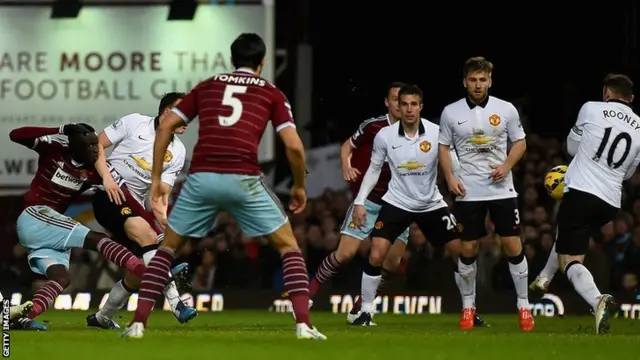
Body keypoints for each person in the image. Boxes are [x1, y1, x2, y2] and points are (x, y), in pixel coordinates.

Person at [122, 33, 325, 340]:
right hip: (243, 177)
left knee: (166, 249)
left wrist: (156, 180)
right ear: (262, 62)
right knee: (288, 246)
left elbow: (164, 126)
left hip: (201, 179)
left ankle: (137, 325)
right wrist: (298, 186)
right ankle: (304, 326)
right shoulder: (271, 92)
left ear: (231, 61)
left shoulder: (207, 85)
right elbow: (294, 148)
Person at [7, 124, 175, 330]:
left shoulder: (94, 173)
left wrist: (156, 228)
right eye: (90, 146)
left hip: (49, 230)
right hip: (34, 215)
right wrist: (60, 129)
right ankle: (143, 272)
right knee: (96, 239)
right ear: (75, 146)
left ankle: (20, 319)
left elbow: (128, 200)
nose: (97, 150)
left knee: (61, 278)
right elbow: (15, 134)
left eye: (97, 144)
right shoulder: (53, 149)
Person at [349, 84, 480, 326]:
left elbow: (452, 163)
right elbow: (374, 169)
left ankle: (470, 309)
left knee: (460, 252)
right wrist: (360, 201)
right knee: (376, 253)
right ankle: (366, 312)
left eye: (413, 104)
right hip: (396, 202)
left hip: (430, 203)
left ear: (421, 107)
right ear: (398, 106)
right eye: (404, 104)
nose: (409, 109)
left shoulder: (436, 132)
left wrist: (461, 188)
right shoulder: (384, 136)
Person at [537, 74, 640, 334]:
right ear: (631, 98)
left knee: (569, 261)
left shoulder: (591, 108)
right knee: (572, 237)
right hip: (611, 203)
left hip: (582, 192)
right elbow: (628, 174)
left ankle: (597, 301)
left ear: (606, 92)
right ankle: (543, 278)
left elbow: (571, 148)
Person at [86, 92, 196, 330]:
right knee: (148, 237)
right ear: (166, 112)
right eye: (183, 114)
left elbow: (159, 197)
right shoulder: (134, 122)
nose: (188, 120)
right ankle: (177, 303)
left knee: (140, 269)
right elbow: (95, 145)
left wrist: (167, 224)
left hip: (134, 208)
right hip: (109, 196)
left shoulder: (177, 152)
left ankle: (102, 318)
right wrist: (107, 178)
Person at [438, 57, 533, 331]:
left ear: (490, 81)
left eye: (483, 80)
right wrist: (450, 176)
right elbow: (443, 147)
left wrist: (506, 166)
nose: (478, 85)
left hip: (502, 187)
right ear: (464, 82)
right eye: (473, 80)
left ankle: (524, 307)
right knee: (468, 248)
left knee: (512, 244)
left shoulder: (506, 109)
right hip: (468, 189)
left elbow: (521, 142)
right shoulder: (450, 112)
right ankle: (468, 308)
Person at [306, 82, 410, 325]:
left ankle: (359, 309)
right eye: (395, 99)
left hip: (399, 204)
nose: (399, 104)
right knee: (345, 253)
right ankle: (307, 296)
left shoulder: (418, 131)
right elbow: (347, 146)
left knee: (392, 261)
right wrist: (346, 163)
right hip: (370, 200)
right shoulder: (373, 126)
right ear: (387, 102)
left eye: (403, 100)